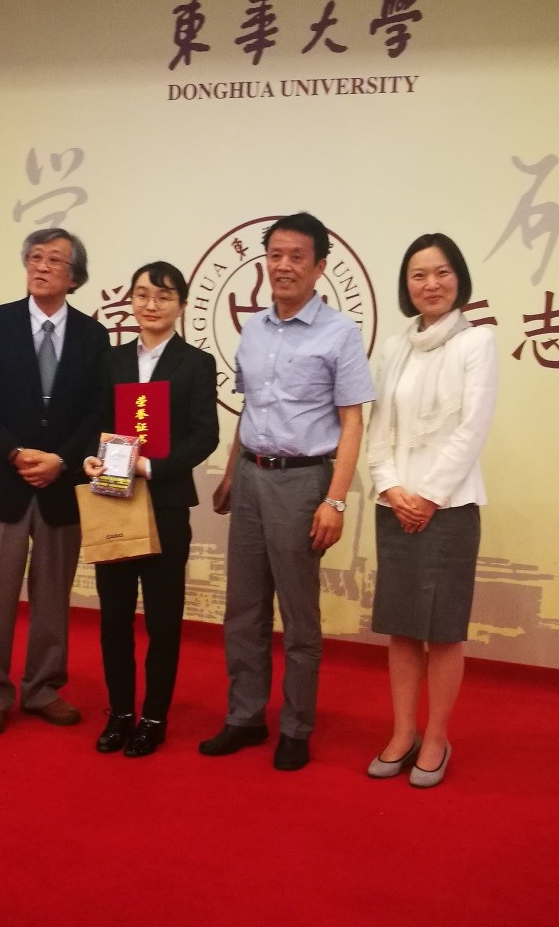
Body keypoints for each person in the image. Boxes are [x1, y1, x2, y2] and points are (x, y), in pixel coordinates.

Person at [200, 212, 375, 771]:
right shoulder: (252, 329)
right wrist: (232, 472)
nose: (283, 266)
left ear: (319, 266)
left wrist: (335, 500)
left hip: (303, 483)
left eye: (297, 256)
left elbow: (353, 422)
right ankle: (245, 716)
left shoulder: (340, 333)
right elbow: (250, 407)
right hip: (251, 477)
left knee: (298, 616)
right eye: (275, 255)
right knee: (243, 609)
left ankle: (297, 727)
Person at [0, 227, 110, 736]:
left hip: (61, 486)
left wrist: (62, 460)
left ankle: (43, 687)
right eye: (35, 257)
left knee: (52, 597)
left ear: (74, 277)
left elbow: (99, 412)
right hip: (1, 479)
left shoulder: (93, 337)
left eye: (54, 260)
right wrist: (15, 452)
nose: (41, 267)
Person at [364, 233, 497, 787]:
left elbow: (472, 427)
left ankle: (436, 737)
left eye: (442, 272)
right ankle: (402, 732)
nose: (431, 284)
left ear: (458, 278)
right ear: (406, 285)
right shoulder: (394, 347)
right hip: (395, 506)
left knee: (442, 631)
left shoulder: (478, 341)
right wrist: (391, 487)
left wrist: (429, 496)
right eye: (419, 275)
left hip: (449, 508)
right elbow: (378, 429)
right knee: (401, 628)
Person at [83, 262, 219, 757]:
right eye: (142, 294)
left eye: (162, 296)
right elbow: (94, 423)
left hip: (165, 504)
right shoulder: (112, 360)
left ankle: (154, 718)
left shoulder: (195, 363)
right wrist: (90, 459)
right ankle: (120, 713)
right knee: (114, 618)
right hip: (114, 500)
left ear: (181, 305)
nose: (150, 304)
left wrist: (154, 467)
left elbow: (205, 435)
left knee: (163, 620)